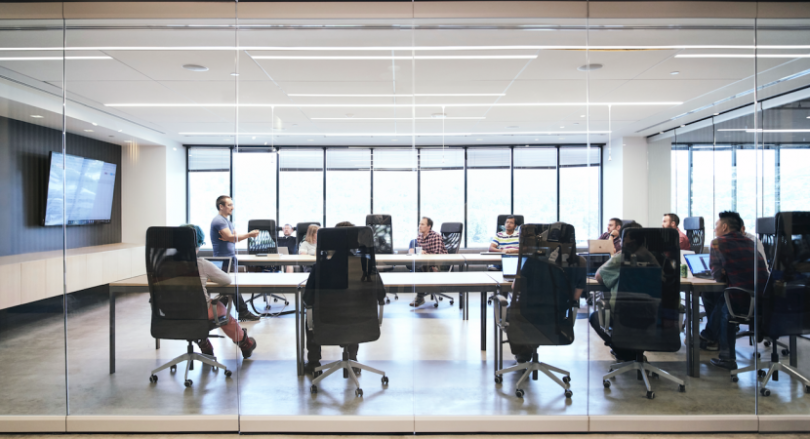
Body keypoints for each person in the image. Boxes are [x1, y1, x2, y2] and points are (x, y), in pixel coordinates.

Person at [700, 211, 768, 371]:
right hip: (765, 299)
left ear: (724, 227)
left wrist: (725, 271)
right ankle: (710, 336)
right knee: (719, 297)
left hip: (743, 300)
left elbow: (717, 277)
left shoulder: (718, 243)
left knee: (725, 301)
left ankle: (724, 355)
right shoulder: (751, 242)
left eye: (716, 226)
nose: (715, 229)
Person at [510, 223, 586, 363]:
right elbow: (575, 297)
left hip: (528, 315)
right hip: (557, 316)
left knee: (510, 312)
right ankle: (528, 347)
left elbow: (515, 287)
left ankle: (523, 352)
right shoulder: (580, 262)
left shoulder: (533, 260)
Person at [181, 224, 257, 359]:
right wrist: (208, 277)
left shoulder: (161, 264)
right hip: (197, 311)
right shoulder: (201, 264)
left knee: (203, 312)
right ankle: (246, 344)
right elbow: (226, 280)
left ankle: (205, 345)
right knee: (220, 311)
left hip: (169, 312)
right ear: (197, 245)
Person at [303, 220, 366, 375]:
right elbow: (380, 295)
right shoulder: (364, 267)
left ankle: (313, 363)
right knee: (355, 312)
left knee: (309, 317)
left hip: (326, 324)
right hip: (358, 324)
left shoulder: (321, 267)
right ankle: (352, 359)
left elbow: (307, 299)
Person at [588, 222, 655, 362]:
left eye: (624, 238)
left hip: (624, 314)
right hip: (653, 314)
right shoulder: (654, 257)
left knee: (594, 317)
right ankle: (634, 352)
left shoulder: (623, 257)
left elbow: (599, 276)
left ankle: (623, 353)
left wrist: (615, 257)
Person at [210, 195, 261, 321]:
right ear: (221, 206)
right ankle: (242, 312)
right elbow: (231, 238)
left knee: (228, 290)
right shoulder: (219, 221)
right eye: (229, 205)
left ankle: (217, 313)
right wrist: (248, 235)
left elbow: (233, 238)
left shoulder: (226, 221)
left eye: (232, 204)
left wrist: (231, 238)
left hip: (230, 258)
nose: (232, 207)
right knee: (231, 287)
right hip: (224, 260)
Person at [409, 217, 448, 308]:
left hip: (440, 264)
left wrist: (425, 253)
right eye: (420, 224)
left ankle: (420, 297)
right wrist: (420, 253)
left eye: (422, 224)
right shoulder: (419, 236)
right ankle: (420, 295)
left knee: (420, 268)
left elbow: (437, 255)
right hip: (426, 263)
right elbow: (419, 252)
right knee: (413, 265)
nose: (420, 226)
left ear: (429, 227)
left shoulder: (436, 236)